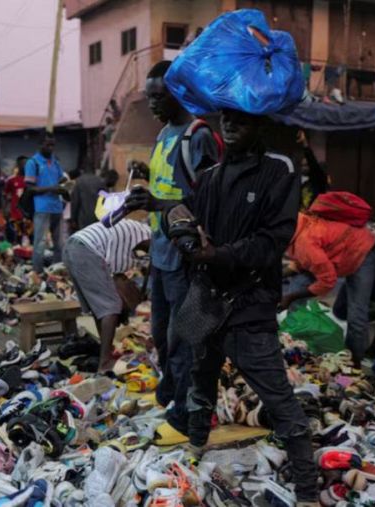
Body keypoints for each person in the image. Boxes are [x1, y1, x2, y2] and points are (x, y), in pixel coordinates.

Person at [161, 109, 316, 503]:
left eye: (241, 121)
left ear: (259, 127)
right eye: (225, 120)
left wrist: (217, 255)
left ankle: (309, 491)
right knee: (201, 378)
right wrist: (172, 217)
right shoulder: (211, 176)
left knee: (278, 397)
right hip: (206, 299)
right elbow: (186, 214)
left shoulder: (278, 170)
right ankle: (196, 446)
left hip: (249, 303)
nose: (229, 127)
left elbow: (271, 241)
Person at [123, 60, 220, 443]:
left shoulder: (198, 135)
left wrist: (158, 203)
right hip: (161, 255)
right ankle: (168, 394)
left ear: (179, 93)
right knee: (161, 335)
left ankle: (183, 415)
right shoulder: (164, 134)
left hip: (185, 257)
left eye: (159, 97)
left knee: (183, 339)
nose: (153, 106)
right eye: (149, 99)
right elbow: (168, 188)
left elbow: (210, 199)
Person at [281, 193, 375, 366]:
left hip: (362, 253)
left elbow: (327, 281)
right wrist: (280, 276)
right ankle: (294, 344)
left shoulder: (304, 242)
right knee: (296, 290)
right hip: (338, 252)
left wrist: (290, 297)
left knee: (356, 314)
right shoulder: (297, 223)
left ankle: (354, 363)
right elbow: (301, 262)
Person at [63, 219, 150, 373]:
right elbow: (117, 277)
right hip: (85, 249)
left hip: (73, 247)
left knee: (101, 307)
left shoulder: (136, 232)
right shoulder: (140, 235)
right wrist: (126, 305)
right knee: (111, 306)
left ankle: (106, 353)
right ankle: (105, 362)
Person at [25, 136, 68, 273]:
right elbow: (30, 188)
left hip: (57, 206)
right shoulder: (33, 163)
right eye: (48, 145)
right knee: (40, 243)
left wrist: (63, 183)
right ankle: (37, 273)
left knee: (59, 243)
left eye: (53, 145)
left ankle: (57, 271)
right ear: (40, 145)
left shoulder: (55, 162)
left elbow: (60, 179)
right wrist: (52, 188)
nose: (51, 148)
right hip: (42, 207)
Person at [4, 157, 28, 243]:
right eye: (23, 164)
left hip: (29, 212)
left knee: (31, 234)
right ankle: (17, 252)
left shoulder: (32, 179)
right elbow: (6, 195)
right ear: (18, 165)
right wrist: (6, 209)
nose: (25, 166)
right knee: (18, 235)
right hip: (16, 212)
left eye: (26, 164)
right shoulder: (11, 180)